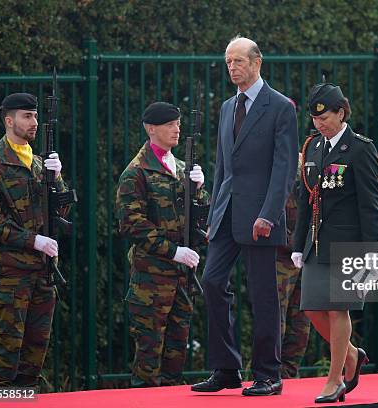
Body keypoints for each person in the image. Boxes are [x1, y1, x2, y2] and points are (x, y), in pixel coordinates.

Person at [191, 36, 298, 396]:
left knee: (263, 293)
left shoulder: (280, 107)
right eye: (228, 62)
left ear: (257, 63)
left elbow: (284, 168)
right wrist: (212, 215)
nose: (232, 68)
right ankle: (226, 369)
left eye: (238, 61)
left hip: (260, 219)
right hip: (226, 213)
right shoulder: (226, 107)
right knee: (212, 281)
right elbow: (223, 166)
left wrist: (270, 214)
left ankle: (269, 373)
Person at [291, 83, 378, 403]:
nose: (319, 123)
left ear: (341, 113)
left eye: (325, 117)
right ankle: (352, 355)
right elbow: (305, 198)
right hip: (316, 243)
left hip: (348, 245)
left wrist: (373, 250)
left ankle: (334, 381)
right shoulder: (313, 148)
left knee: (336, 309)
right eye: (315, 119)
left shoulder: (360, 148)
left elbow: (370, 204)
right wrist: (296, 244)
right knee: (313, 309)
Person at [0, 93, 69, 387]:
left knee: (34, 356)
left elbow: (59, 211)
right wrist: (32, 241)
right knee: (6, 355)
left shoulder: (40, 164)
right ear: (8, 120)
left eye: (36, 116)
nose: (34, 122)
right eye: (27, 116)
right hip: (11, 274)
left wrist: (59, 178)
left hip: (42, 272)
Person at [116, 102, 208, 387]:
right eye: (170, 124)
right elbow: (132, 225)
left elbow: (198, 217)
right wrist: (174, 251)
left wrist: (200, 190)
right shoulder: (136, 172)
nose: (176, 129)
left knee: (175, 359)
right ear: (151, 128)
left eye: (178, 124)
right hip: (151, 279)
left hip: (181, 278)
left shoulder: (181, 168)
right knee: (148, 359)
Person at [277, 155, 311, 379]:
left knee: (302, 323)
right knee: (274, 321)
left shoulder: (307, 160)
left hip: (305, 254)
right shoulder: (270, 158)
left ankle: (290, 375)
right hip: (278, 255)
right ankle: (270, 374)